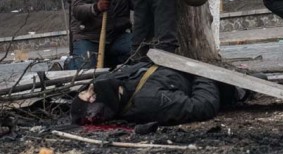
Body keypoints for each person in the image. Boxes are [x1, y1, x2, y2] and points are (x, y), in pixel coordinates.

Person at [69, 60, 250, 126]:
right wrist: (202, 72)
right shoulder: (150, 101)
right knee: (259, 79)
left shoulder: (116, 82)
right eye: (89, 94)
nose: (91, 87)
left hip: (189, 67)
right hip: (213, 82)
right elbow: (203, 106)